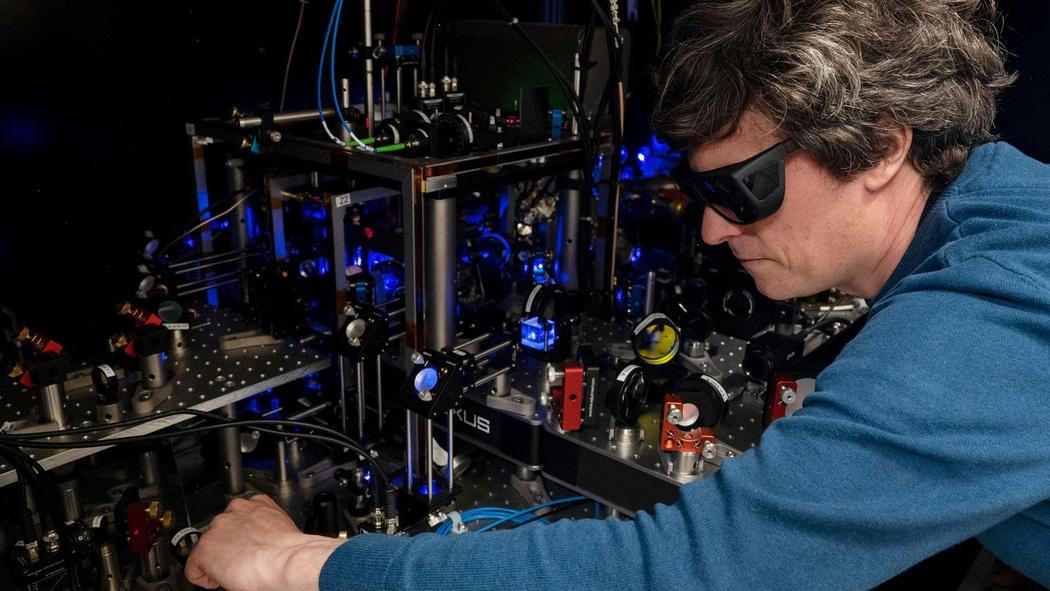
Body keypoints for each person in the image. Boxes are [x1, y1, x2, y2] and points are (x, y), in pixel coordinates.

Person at [186, 1, 1050, 589]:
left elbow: (687, 571)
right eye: (702, 194)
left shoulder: (989, 310)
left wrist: (298, 564)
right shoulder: (999, 211)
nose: (712, 230)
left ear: (883, 147)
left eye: (741, 190)